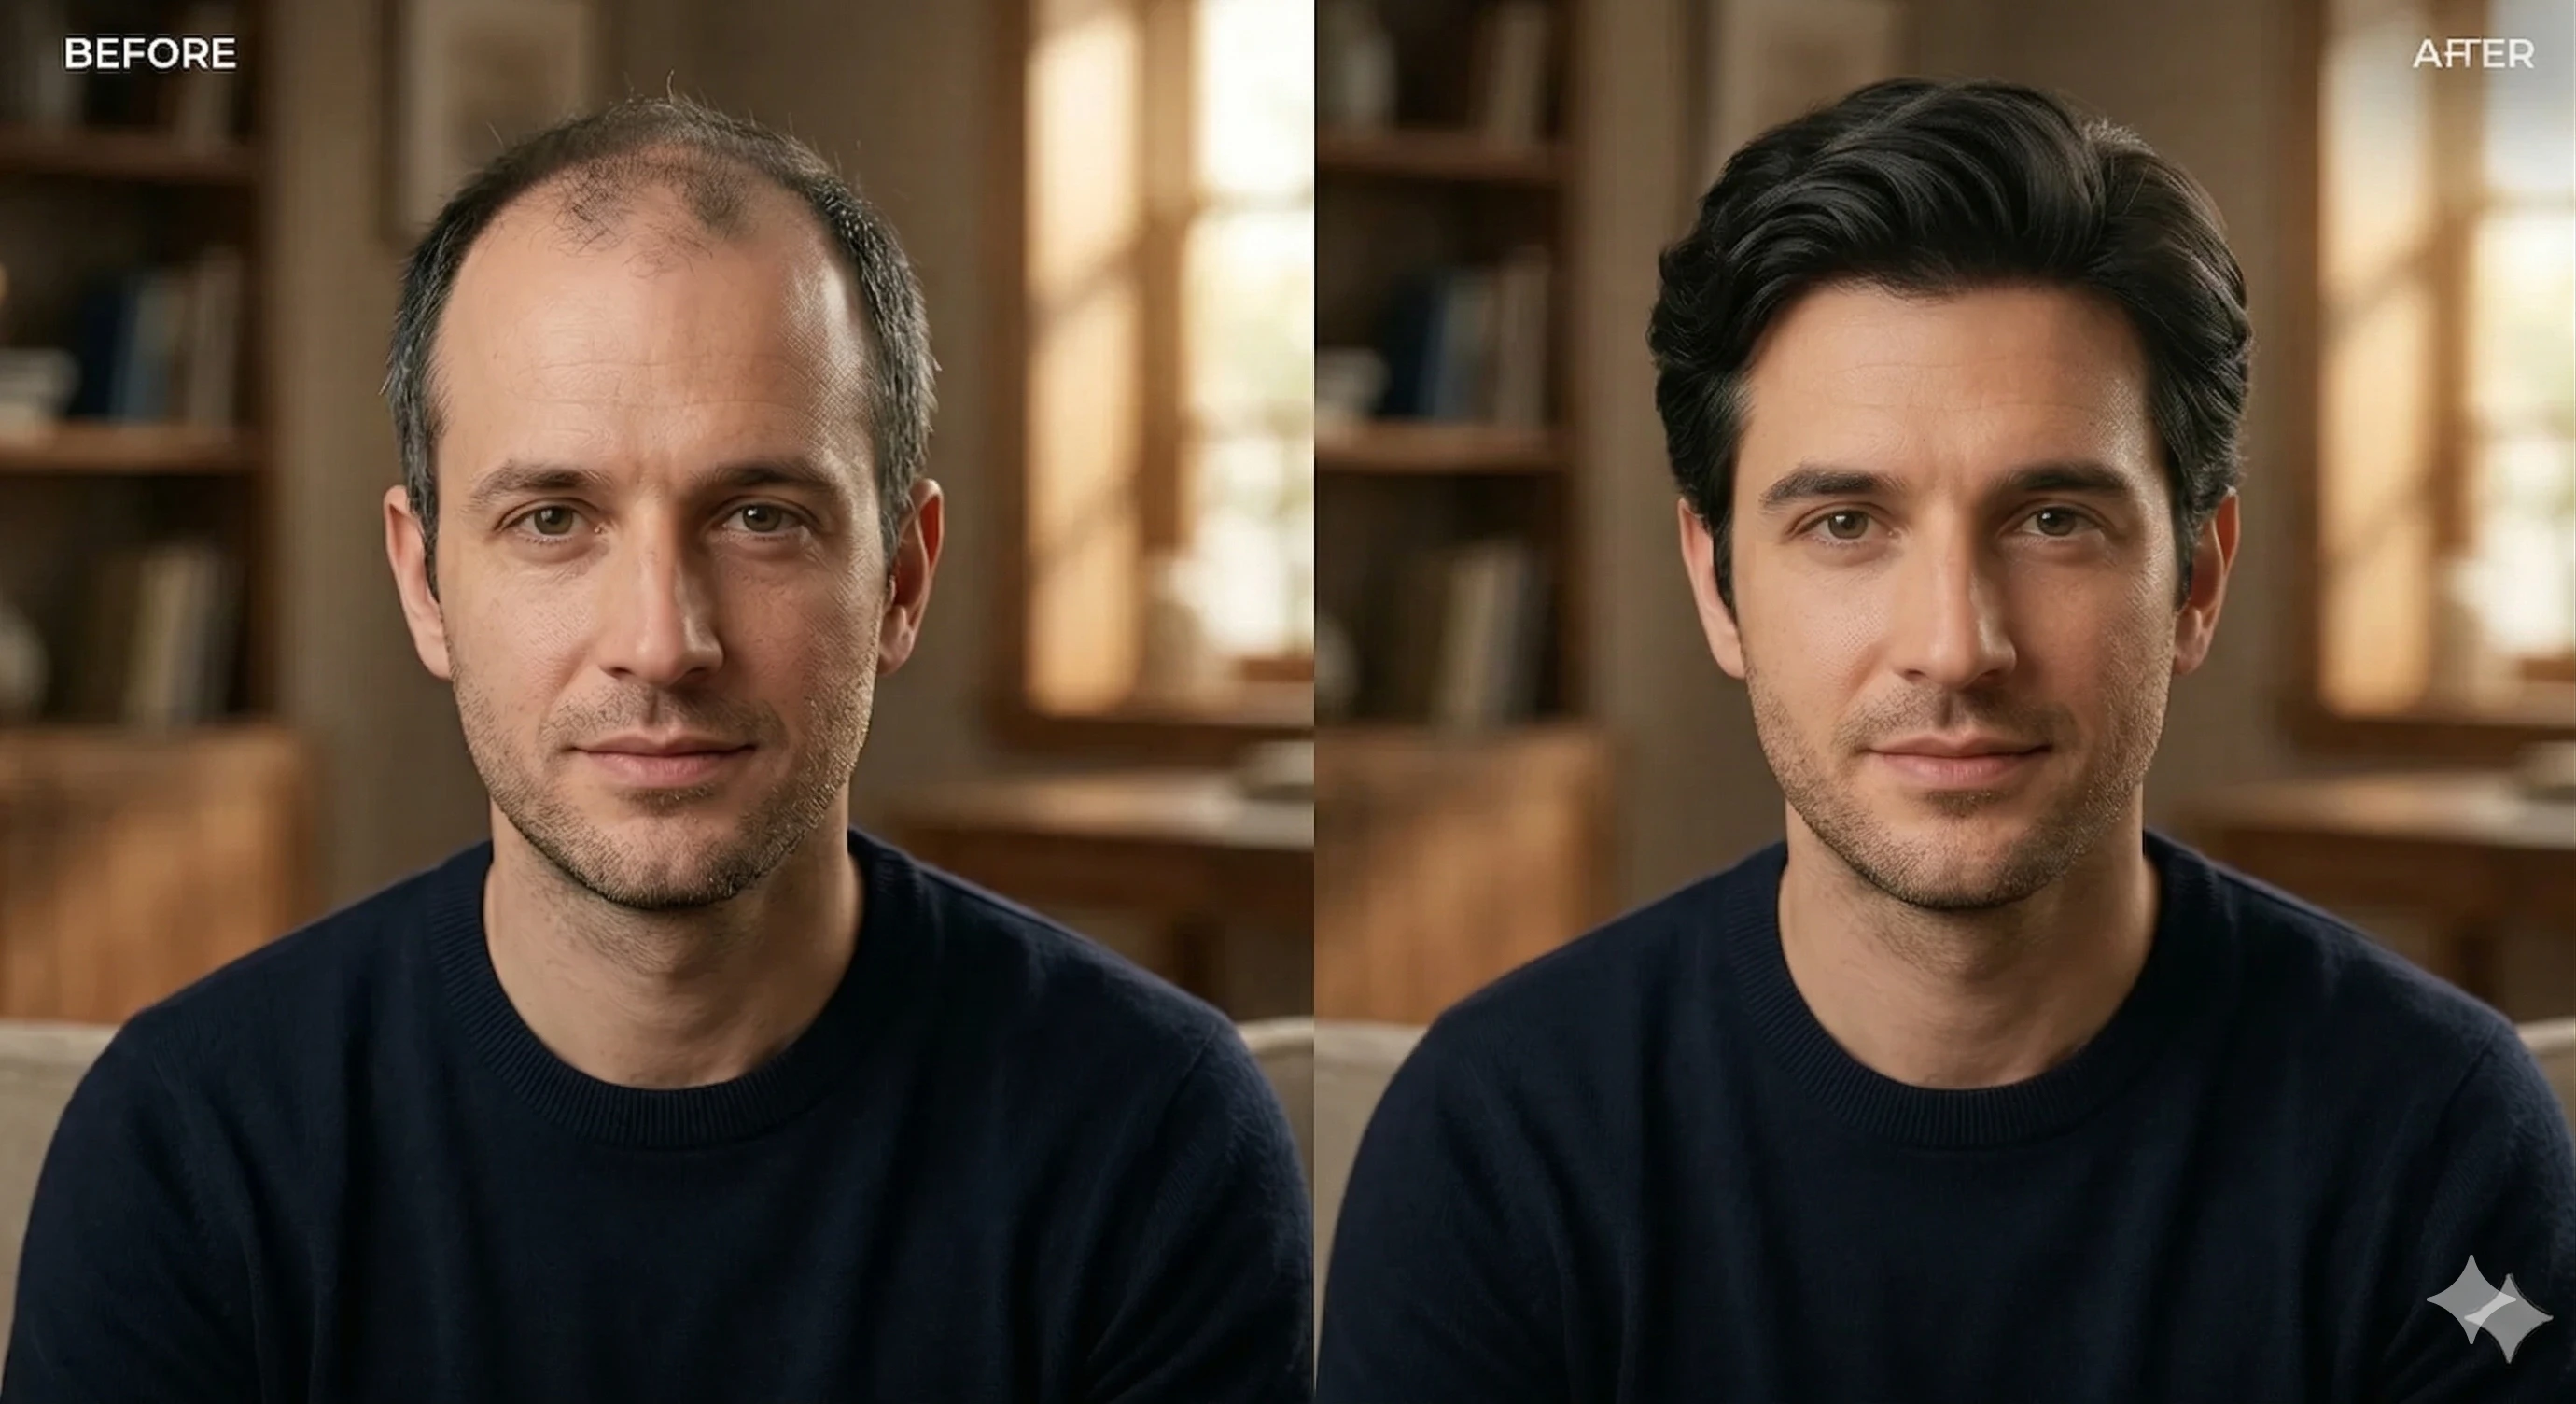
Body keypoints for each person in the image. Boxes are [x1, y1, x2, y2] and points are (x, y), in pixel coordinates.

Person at [5, 97, 1309, 1403]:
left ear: (901, 577)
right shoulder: (192, 1141)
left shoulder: (1147, 1131)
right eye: (554, 517)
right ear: (425, 582)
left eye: (759, 515)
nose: (662, 642)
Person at [1316, 77, 2575, 1401]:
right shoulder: (1504, 1137)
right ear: (1717, 581)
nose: (1957, 644)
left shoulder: (2431, 1132)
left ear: (2197, 578)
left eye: (2052, 521)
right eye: (1846, 525)